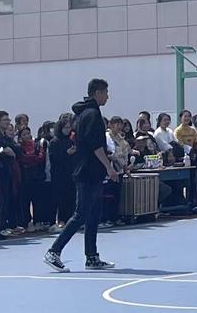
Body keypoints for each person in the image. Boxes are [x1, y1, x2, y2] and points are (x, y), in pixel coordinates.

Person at [44, 78, 119, 272]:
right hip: (87, 171)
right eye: (106, 92)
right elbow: (95, 145)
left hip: (92, 171)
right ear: (98, 93)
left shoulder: (84, 114)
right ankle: (53, 251)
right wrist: (109, 167)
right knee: (81, 214)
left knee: (93, 214)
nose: (108, 96)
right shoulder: (92, 114)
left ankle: (92, 257)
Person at [49, 113, 77, 228]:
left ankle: (69, 220)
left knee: (71, 198)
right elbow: (53, 159)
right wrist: (66, 154)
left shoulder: (71, 141)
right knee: (60, 199)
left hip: (70, 174)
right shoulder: (54, 142)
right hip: (59, 175)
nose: (67, 130)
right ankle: (60, 221)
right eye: (65, 128)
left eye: (69, 127)